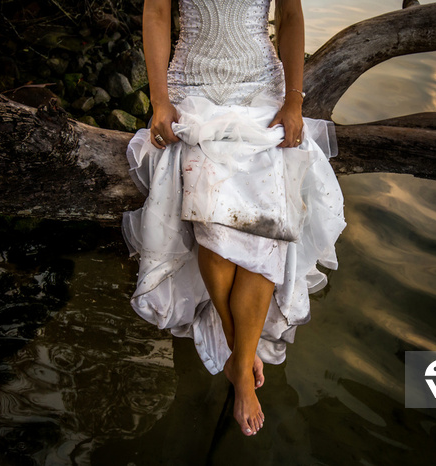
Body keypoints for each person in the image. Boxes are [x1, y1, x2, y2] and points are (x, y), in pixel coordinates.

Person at [121, 0, 345, 437]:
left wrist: (295, 101)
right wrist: (161, 100)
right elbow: (156, 13)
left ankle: (238, 362)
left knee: (267, 231)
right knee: (212, 223)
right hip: (193, 89)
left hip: (261, 88)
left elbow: (291, 16)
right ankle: (240, 353)